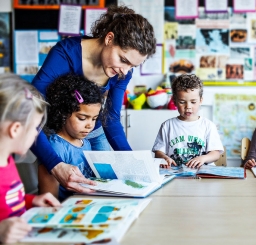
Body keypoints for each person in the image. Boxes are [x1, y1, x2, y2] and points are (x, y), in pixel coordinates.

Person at [31, 5, 157, 194]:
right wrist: (55, 164)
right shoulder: (65, 53)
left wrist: (134, 164)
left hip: (96, 133)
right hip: (60, 131)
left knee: (104, 189)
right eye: (123, 60)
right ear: (109, 38)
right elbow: (30, 111)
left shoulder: (123, 72)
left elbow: (111, 119)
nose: (125, 71)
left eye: (132, 66)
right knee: (60, 188)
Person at [0, 74, 60, 244]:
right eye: (35, 128)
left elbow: (9, 202)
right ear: (15, 129)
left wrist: (32, 201)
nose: (36, 134)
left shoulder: (8, 161)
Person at [38, 74, 103, 201]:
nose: (90, 125)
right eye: (82, 118)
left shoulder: (85, 142)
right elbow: (49, 198)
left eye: (94, 119)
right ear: (63, 113)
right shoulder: (56, 147)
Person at [152, 74, 224, 168]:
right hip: (175, 175)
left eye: (193, 102)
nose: (188, 107)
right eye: (182, 102)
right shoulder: (167, 126)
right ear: (174, 101)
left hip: (202, 176)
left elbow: (216, 154)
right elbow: (158, 152)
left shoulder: (208, 125)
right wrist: (164, 158)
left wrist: (203, 158)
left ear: (201, 101)